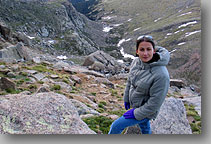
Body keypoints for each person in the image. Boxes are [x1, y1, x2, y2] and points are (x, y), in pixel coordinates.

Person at [108, 35, 170, 134]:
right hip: (136, 105)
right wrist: (126, 98)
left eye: (148, 49)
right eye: (142, 49)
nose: (145, 53)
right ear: (137, 51)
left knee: (116, 126)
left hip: (147, 111)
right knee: (144, 127)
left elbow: (155, 103)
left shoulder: (161, 75)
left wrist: (136, 113)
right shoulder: (136, 62)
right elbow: (130, 81)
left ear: (154, 51)